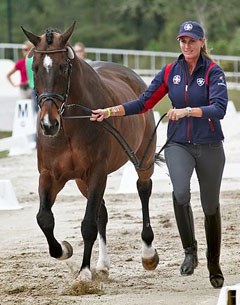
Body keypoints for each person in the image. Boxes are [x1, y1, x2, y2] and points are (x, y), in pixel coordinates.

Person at [90, 21, 228, 289]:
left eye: (191, 41)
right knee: (180, 193)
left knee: (210, 205)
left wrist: (188, 110)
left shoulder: (213, 72)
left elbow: (220, 108)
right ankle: (190, 252)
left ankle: (214, 262)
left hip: (210, 144)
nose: (186, 46)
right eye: (182, 41)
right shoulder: (169, 72)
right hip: (179, 144)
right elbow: (144, 102)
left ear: (202, 42)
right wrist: (110, 111)